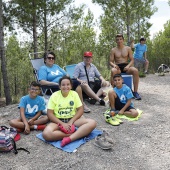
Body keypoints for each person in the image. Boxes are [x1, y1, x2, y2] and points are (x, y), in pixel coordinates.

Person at [42, 76, 96, 147]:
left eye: (68, 84)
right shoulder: (54, 95)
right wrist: (62, 124)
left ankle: (69, 139)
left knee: (92, 123)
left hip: (72, 120)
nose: (65, 87)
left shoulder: (74, 94)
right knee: (46, 134)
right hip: (58, 121)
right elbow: (50, 113)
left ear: (71, 86)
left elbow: (80, 109)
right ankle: (74, 135)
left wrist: (71, 121)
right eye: (63, 85)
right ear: (59, 86)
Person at [109, 34, 141, 100]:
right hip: (118, 66)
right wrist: (114, 65)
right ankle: (113, 92)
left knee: (135, 70)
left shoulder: (128, 48)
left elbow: (132, 60)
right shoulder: (113, 50)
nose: (119, 41)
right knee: (113, 71)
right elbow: (111, 61)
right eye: (117, 40)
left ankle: (135, 92)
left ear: (123, 40)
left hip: (126, 66)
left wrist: (128, 66)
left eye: (120, 39)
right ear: (116, 41)